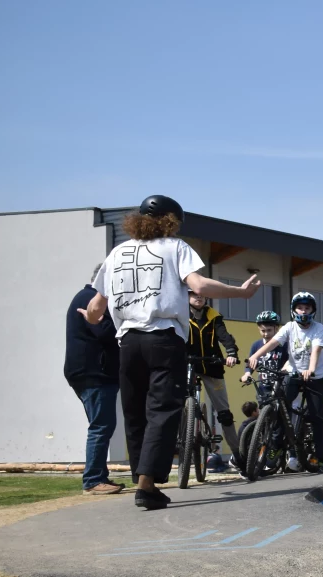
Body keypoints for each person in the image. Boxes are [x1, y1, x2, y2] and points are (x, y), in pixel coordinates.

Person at [81, 195, 261, 510]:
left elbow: (97, 308)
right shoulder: (175, 247)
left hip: (129, 343)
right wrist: (242, 292)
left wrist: (90, 319)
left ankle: (144, 482)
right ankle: (147, 485)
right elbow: (200, 287)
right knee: (162, 411)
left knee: (135, 412)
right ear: (171, 221)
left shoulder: (117, 253)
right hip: (163, 339)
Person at [248, 292, 323, 474]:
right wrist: (254, 356)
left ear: (313, 310)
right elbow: (272, 343)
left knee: (317, 418)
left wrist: (310, 369)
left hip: (314, 377)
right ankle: (277, 445)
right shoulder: (289, 326)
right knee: (279, 406)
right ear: (294, 310)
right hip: (294, 375)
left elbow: (316, 350)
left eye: (307, 307)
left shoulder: (318, 328)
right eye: (300, 307)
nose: (303, 311)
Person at [65, 264, 123, 495]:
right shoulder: (90, 298)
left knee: (102, 424)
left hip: (91, 371)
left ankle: (99, 476)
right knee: (101, 425)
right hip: (94, 372)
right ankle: (93, 480)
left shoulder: (86, 296)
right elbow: (106, 331)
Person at [186, 290, 241, 468]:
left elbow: (224, 336)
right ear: (187, 297)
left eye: (202, 295)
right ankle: (182, 436)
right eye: (194, 294)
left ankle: (237, 453)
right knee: (173, 405)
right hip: (188, 366)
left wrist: (231, 353)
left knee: (224, 414)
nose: (198, 297)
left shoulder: (214, 317)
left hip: (212, 366)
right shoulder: (180, 313)